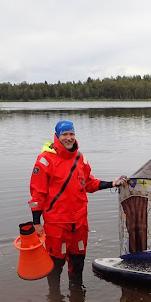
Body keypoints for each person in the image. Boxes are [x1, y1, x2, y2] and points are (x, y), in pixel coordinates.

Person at [28, 120, 126, 290]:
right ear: (57, 136)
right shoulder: (45, 160)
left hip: (79, 222)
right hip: (57, 223)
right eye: (65, 134)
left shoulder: (81, 159)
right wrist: (36, 223)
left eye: (71, 134)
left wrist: (112, 183)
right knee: (55, 263)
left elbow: (89, 183)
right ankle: (54, 299)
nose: (69, 138)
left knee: (78, 260)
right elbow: (37, 194)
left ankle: (77, 295)